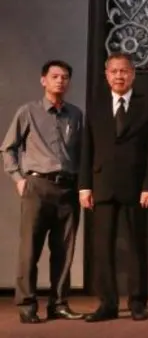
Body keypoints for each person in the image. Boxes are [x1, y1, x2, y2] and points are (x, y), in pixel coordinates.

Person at [0, 60, 84, 323]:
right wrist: (18, 178)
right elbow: (8, 148)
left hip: (68, 188)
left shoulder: (75, 115)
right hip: (37, 186)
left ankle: (58, 303)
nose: (60, 81)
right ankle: (27, 305)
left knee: (64, 251)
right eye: (55, 76)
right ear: (43, 80)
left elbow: (82, 152)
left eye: (65, 77)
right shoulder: (28, 111)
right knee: (30, 250)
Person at [78, 53, 148, 322]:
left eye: (124, 71)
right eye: (114, 71)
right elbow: (87, 148)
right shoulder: (96, 106)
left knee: (137, 246)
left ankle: (138, 303)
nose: (119, 76)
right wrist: (84, 186)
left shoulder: (147, 105)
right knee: (102, 248)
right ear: (106, 75)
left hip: (136, 188)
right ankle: (107, 304)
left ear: (133, 74)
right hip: (101, 185)